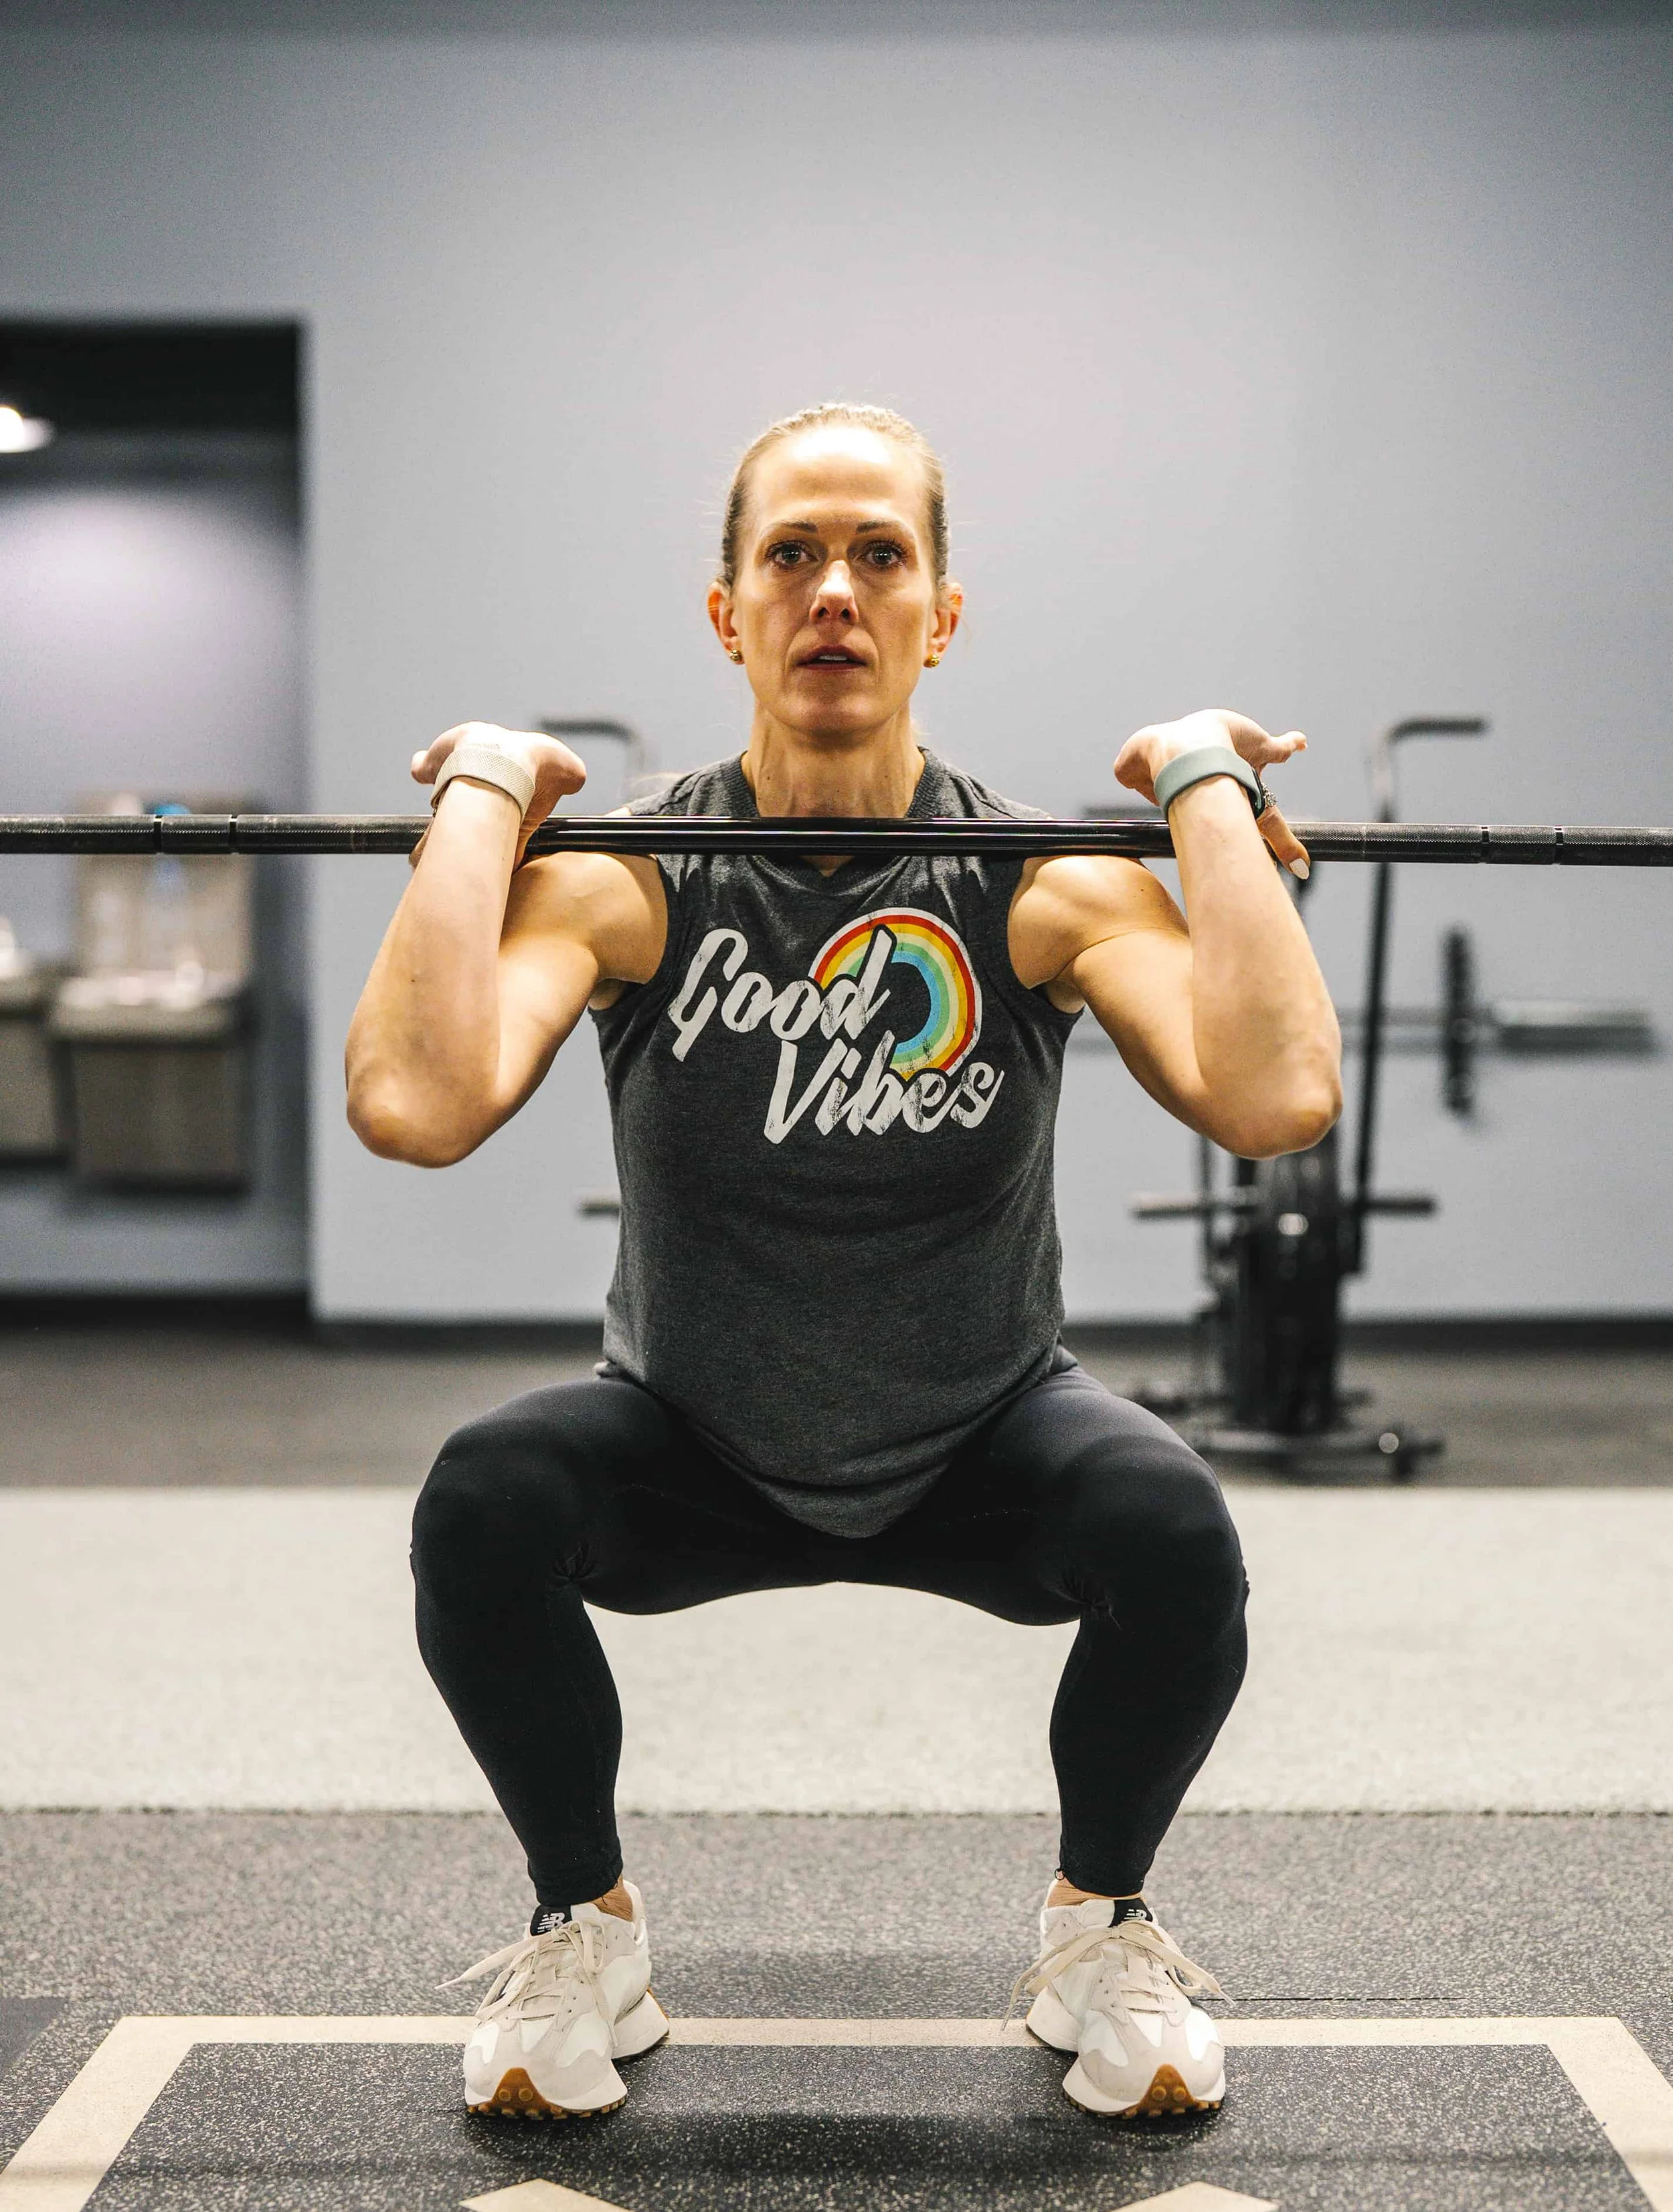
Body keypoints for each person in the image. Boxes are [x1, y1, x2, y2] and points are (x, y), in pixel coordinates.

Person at [347, 402, 1341, 2125]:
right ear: (725, 610)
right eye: (789, 555)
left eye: (878, 557)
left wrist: (1200, 786)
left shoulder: (1030, 880)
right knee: (487, 1497)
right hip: (688, 1442)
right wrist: (490, 796)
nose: (832, 592)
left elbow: (1273, 1097)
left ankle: (1097, 1930)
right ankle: (585, 1931)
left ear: (937, 616)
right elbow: (415, 1104)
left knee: (1171, 1526)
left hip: (983, 1440)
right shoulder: (639, 877)